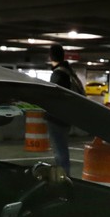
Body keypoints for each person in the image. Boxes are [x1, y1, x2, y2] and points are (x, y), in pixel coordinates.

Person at [47, 44, 85, 175]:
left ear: (50, 56)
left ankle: (64, 179)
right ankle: (65, 176)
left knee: (60, 152)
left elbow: (53, 97)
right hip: (66, 117)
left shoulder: (58, 74)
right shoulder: (69, 72)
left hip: (57, 117)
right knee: (62, 149)